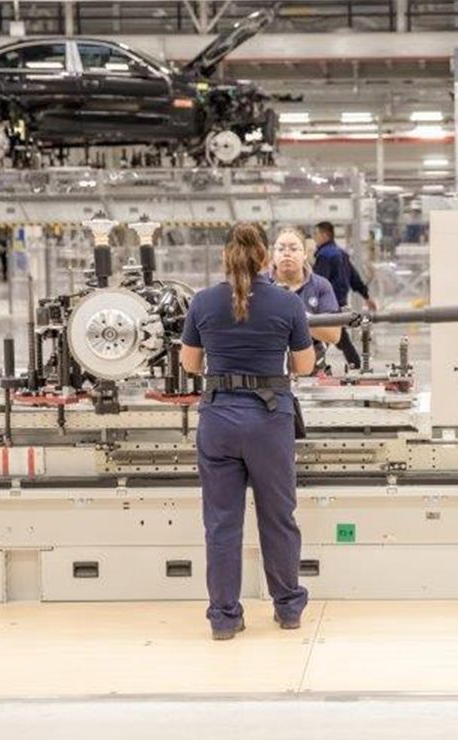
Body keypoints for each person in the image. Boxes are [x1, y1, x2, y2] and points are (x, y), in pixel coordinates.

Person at [179, 223, 314, 641]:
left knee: (221, 524)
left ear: (227, 256)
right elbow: (305, 366)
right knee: (277, 518)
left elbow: (189, 364)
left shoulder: (203, 302)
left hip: (218, 418)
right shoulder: (286, 304)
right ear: (264, 258)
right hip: (269, 421)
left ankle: (224, 617)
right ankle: (288, 608)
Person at [270, 226, 342, 369]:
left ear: (304, 254)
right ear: (273, 254)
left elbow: (334, 334)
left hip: (314, 373)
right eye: (281, 249)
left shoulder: (320, 286)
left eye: (293, 248)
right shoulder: (260, 285)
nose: (286, 253)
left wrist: (297, 315)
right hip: (270, 374)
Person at [312, 221, 375, 368]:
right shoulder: (341, 254)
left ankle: (312, 368)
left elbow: (318, 284)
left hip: (326, 308)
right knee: (340, 339)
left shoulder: (324, 256)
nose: (315, 238)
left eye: (316, 234)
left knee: (321, 338)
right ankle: (357, 366)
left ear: (324, 235)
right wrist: (367, 296)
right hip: (340, 305)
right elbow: (354, 278)